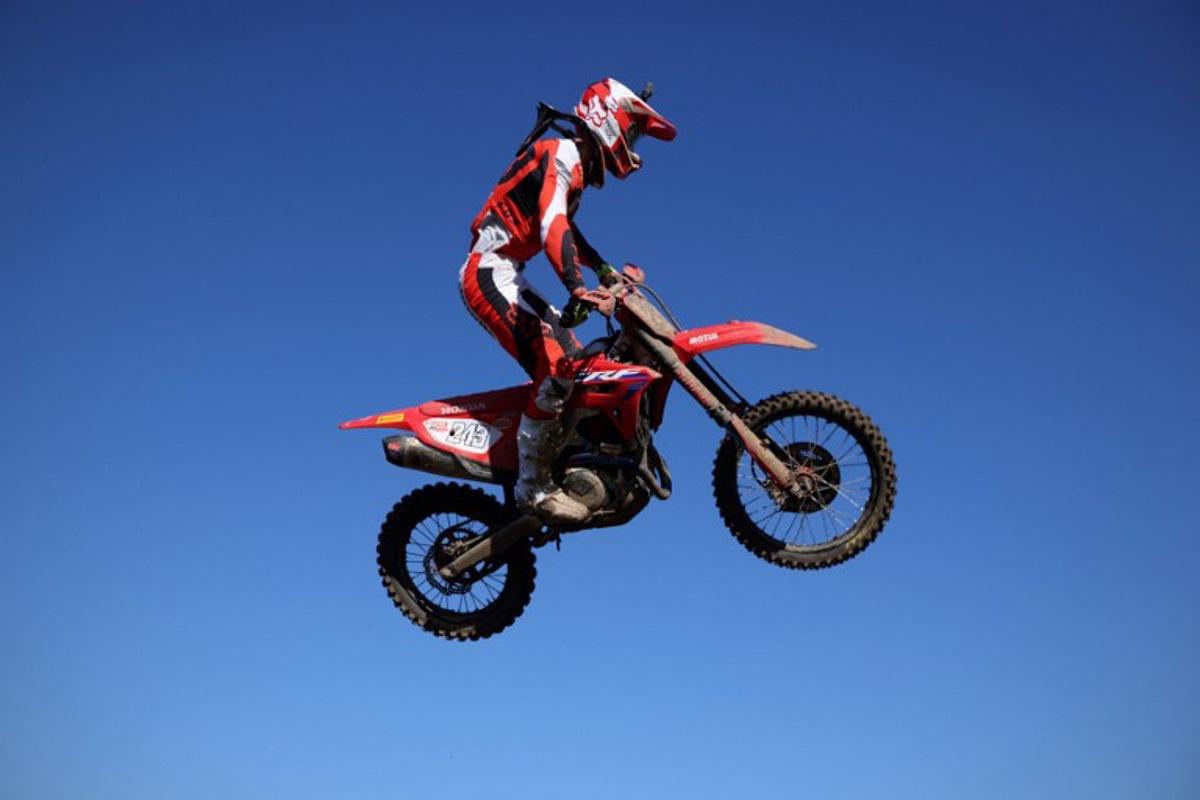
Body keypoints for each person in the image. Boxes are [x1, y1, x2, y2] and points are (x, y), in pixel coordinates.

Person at [459, 78, 677, 523]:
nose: (633, 144)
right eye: (632, 131)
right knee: (556, 368)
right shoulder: (563, 155)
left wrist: (604, 273)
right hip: (486, 271)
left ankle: (571, 462)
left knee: (577, 361)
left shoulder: (571, 165)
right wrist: (577, 287)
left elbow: (569, 233)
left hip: (506, 272)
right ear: (608, 120)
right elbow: (552, 227)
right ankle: (533, 489)